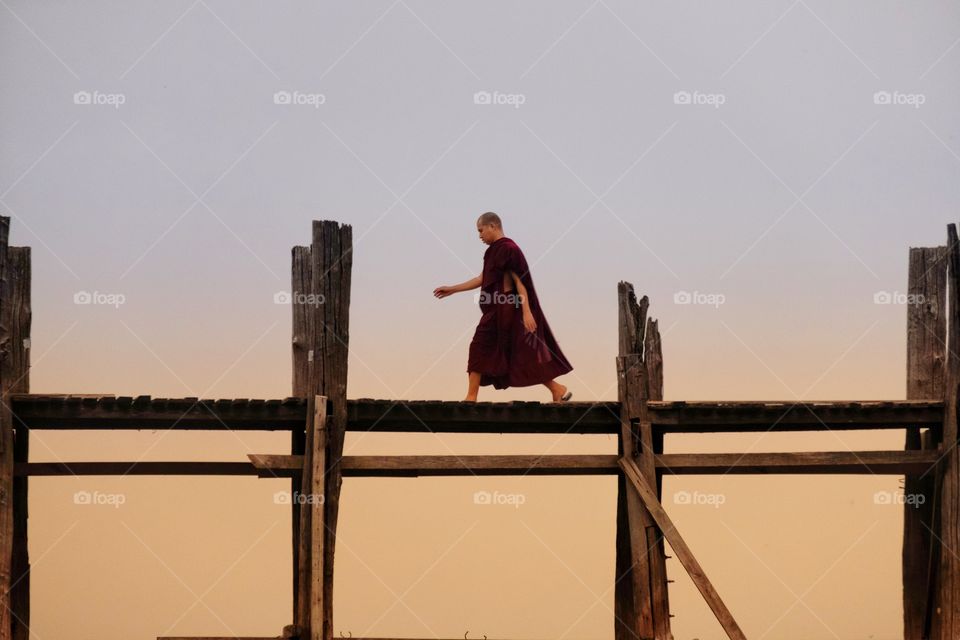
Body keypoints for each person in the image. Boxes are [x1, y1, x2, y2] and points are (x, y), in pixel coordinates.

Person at [434, 212, 574, 402]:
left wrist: (527, 312)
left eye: (481, 230)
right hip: (495, 309)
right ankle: (557, 389)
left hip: (509, 308)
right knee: (510, 351)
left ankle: (471, 396)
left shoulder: (509, 249)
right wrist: (453, 289)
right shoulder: (491, 252)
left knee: (486, 347)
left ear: (493, 226)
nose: (479, 236)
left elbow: (520, 282)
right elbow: (482, 278)